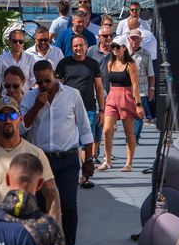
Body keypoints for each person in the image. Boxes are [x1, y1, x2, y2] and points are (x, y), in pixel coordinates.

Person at [20, 60, 94, 245]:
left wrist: (88, 159)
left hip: (68, 159)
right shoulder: (31, 98)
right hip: (41, 160)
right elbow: (23, 127)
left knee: (69, 207)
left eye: (48, 80)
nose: (45, 85)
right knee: (43, 209)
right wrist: (37, 106)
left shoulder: (72, 94)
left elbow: (85, 128)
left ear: (55, 76)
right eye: (40, 81)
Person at [0, 96, 61, 223]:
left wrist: (54, 229)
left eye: (12, 115)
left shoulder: (36, 154)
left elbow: (51, 194)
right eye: (2, 116)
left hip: (25, 230)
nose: (8, 120)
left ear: (20, 118)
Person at [55, 34, 105, 188]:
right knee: (71, 144)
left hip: (88, 108)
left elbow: (99, 87)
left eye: (81, 45)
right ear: (72, 47)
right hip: (68, 110)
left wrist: (102, 110)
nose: (78, 48)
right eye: (75, 46)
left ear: (86, 45)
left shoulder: (93, 64)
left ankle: (85, 176)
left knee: (87, 143)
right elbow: (57, 87)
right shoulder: (64, 63)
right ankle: (71, 175)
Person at [98, 36, 144, 172]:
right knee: (106, 130)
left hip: (126, 97)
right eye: (113, 47)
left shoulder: (131, 65)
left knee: (129, 132)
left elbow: (135, 86)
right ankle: (107, 160)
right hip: (112, 97)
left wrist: (138, 105)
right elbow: (110, 83)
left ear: (124, 48)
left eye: (117, 47)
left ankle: (129, 163)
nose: (115, 49)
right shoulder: (110, 64)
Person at [87, 26, 113, 163]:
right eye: (105, 36)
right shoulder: (91, 51)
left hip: (111, 93)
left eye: (110, 35)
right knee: (95, 124)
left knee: (107, 127)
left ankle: (105, 153)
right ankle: (93, 154)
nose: (108, 38)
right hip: (93, 92)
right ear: (99, 37)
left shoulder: (116, 51)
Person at [0, 29, 35, 105]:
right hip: (6, 100)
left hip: (25, 99)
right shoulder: (1, 59)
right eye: (15, 41)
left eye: (21, 41)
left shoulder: (30, 59)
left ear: (23, 43)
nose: (18, 44)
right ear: (9, 42)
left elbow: (33, 80)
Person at [127, 29, 155, 145]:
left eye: (136, 38)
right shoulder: (123, 52)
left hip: (141, 90)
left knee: (139, 117)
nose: (134, 41)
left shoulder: (146, 53)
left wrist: (151, 89)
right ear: (128, 39)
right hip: (127, 90)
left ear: (140, 40)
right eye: (132, 38)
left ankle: (134, 138)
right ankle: (129, 137)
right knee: (128, 117)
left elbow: (151, 74)